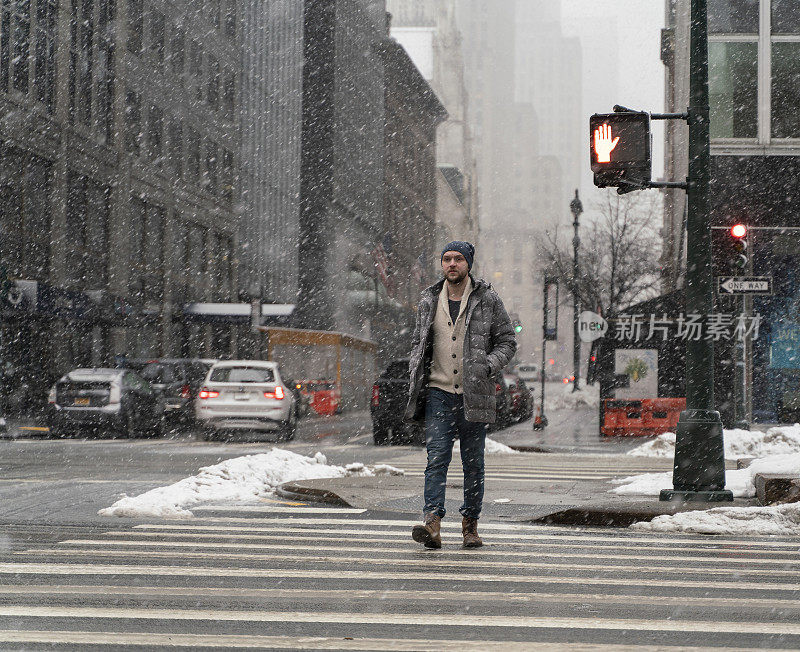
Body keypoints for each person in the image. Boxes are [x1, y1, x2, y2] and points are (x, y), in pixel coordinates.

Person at [405, 241, 517, 548]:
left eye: (458, 259)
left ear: (468, 264)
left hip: (474, 393)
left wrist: (486, 365)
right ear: (442, 265)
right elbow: (418, 341)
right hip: (438, 392)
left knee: (473, 464)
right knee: (436, 458)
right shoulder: (429, 299)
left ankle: (470, 525)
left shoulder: (487, 299)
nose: (452, 264)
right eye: (446, 259)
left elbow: (508, 341)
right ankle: (432, 524)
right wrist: (417, 364)